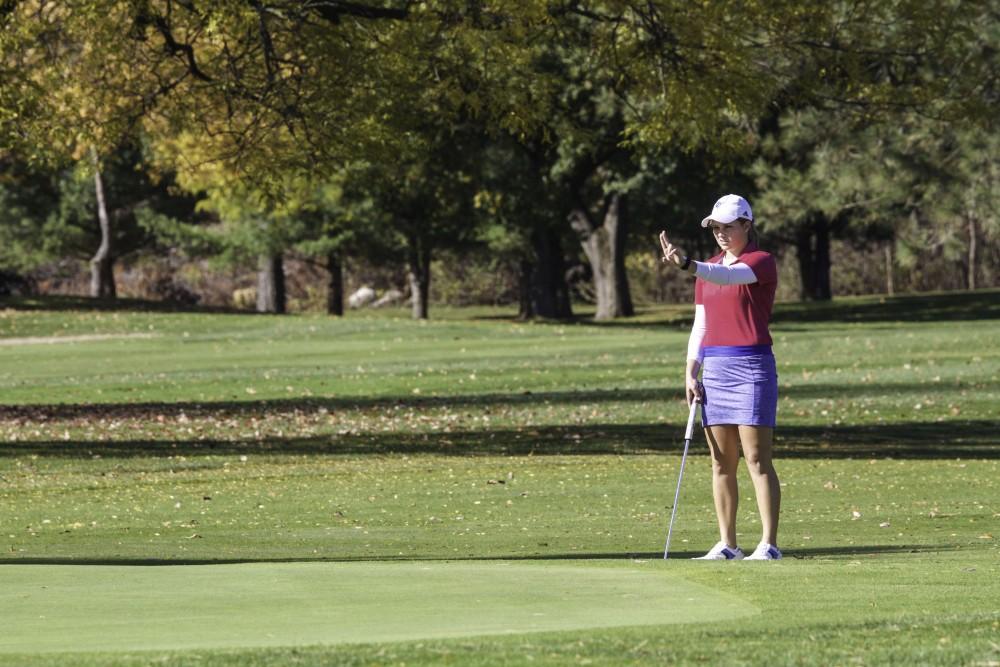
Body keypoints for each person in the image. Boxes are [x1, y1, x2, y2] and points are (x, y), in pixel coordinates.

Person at [658, 194, 782, 561]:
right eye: (716, 227)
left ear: (747, 225)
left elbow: (728, 278)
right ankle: (728, 544)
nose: (722, 234)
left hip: (752, 367)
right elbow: (702, 324)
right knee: (720, 461)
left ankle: (769, 544)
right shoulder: (706, 268)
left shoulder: (761, 262)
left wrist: (685, 263)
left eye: (729, 226)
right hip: (715, 368)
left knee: (757, 459)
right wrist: (690, 370)